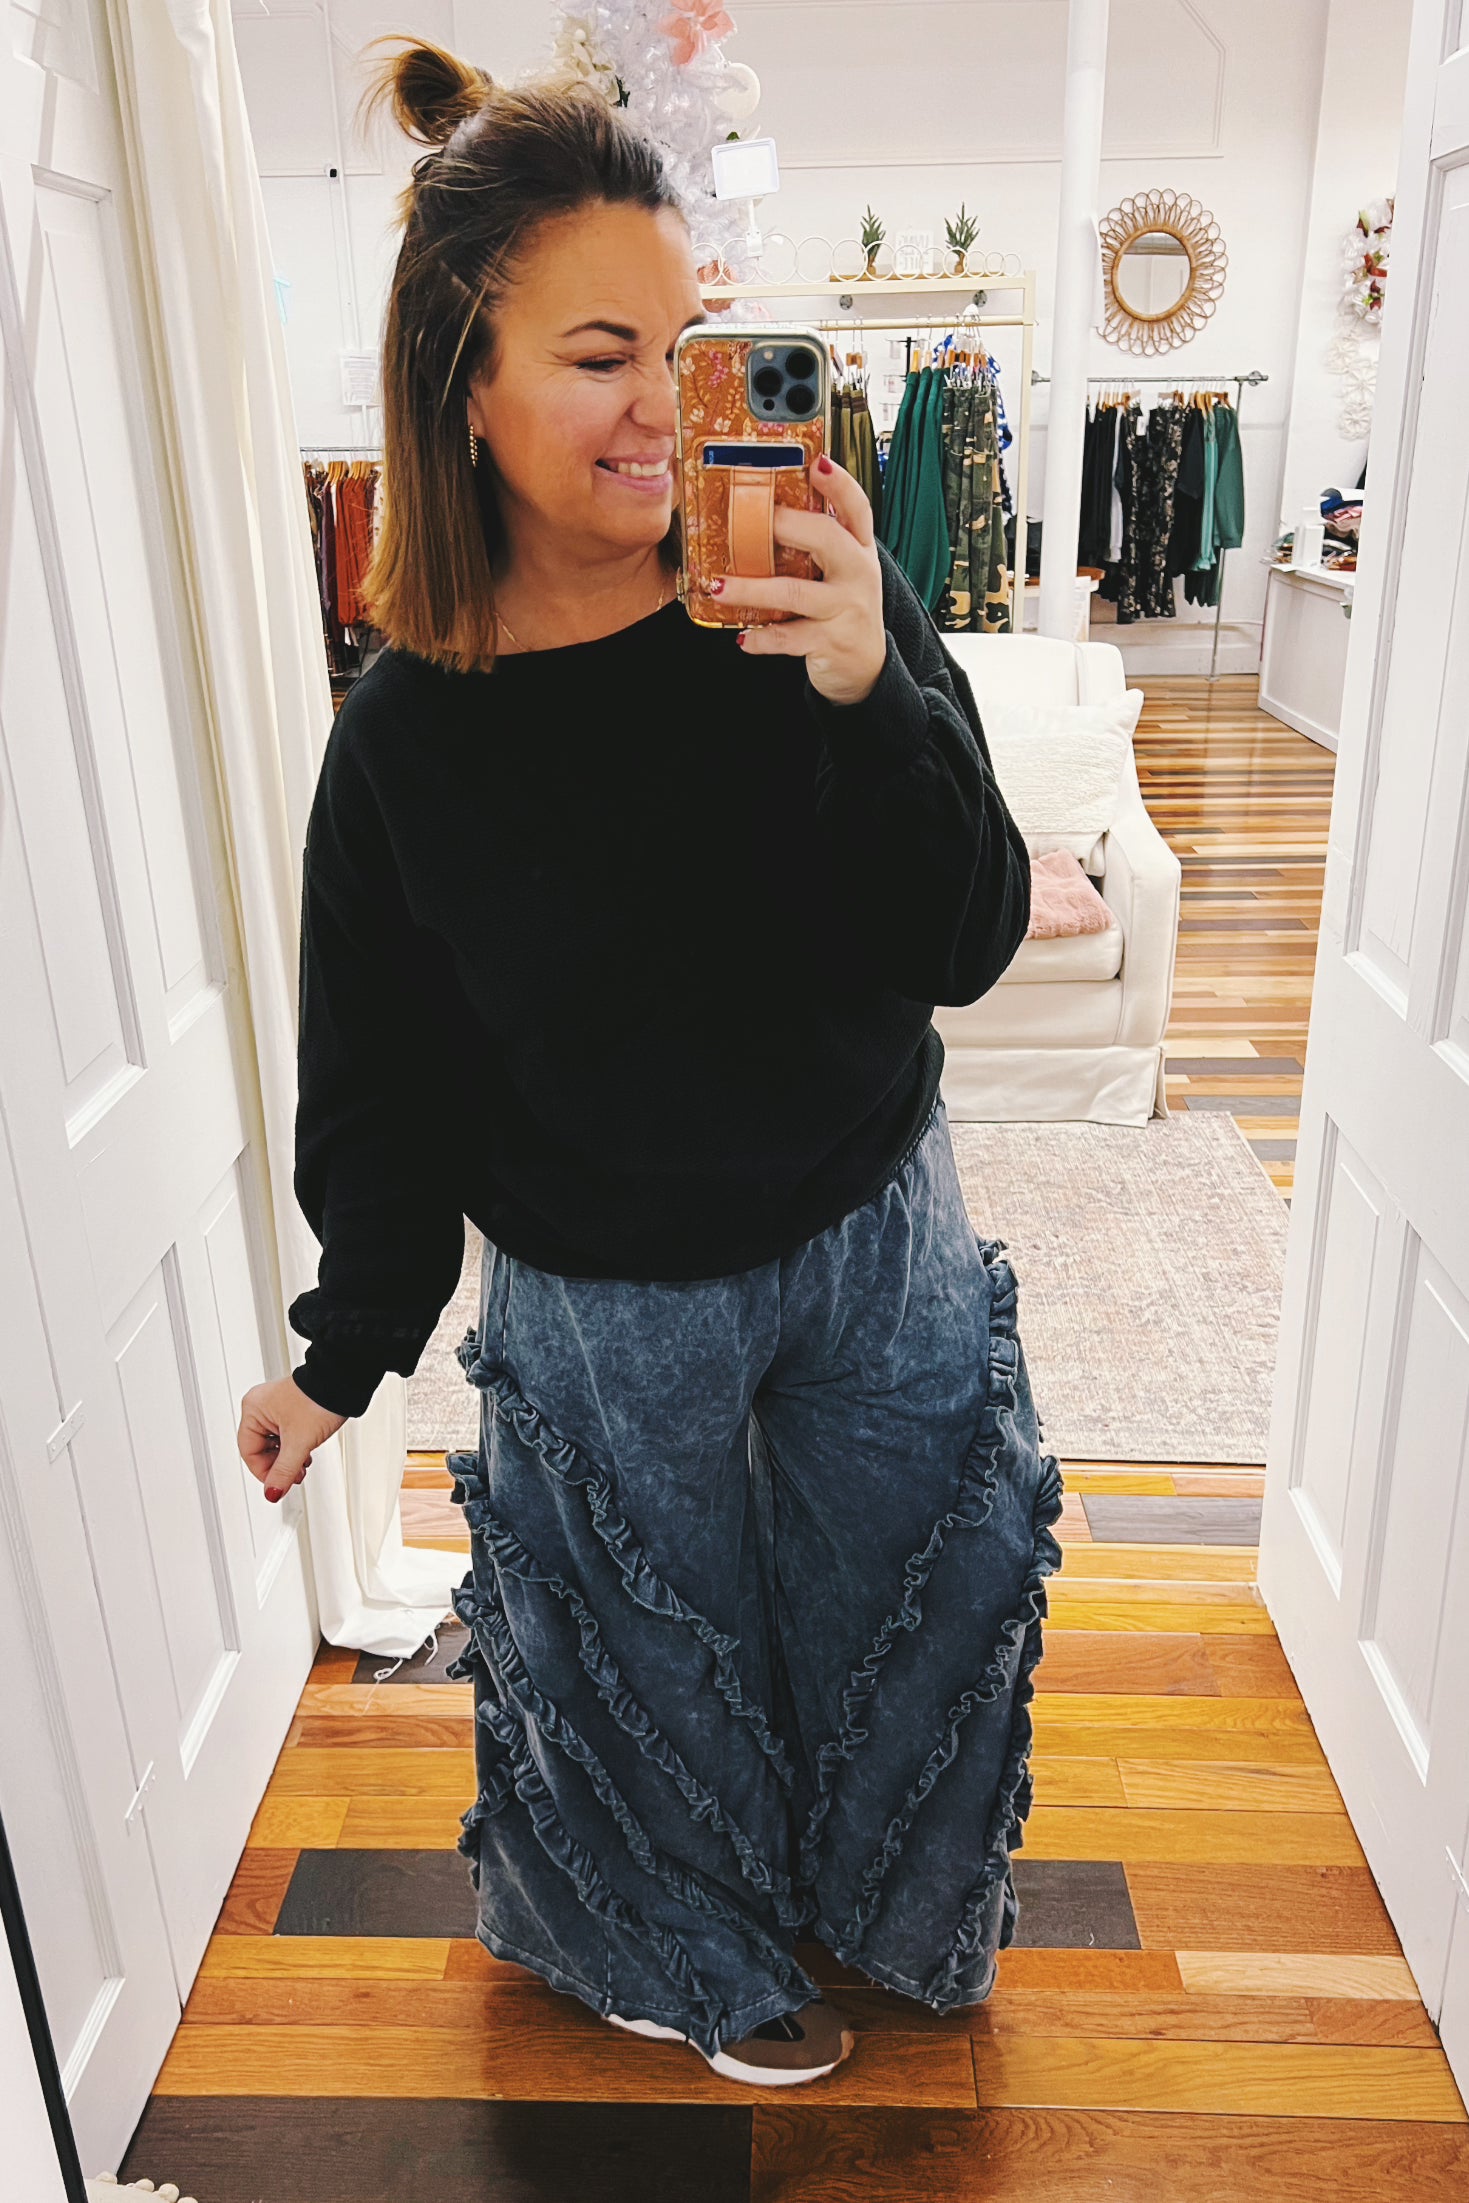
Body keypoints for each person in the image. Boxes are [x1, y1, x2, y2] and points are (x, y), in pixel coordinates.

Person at [236, 36, 1062, 2088]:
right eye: (600, 355)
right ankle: (671, 1948)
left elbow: (967, 937)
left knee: (925, 1586)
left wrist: (874, 688)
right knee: (633, 1654)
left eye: (685, 345)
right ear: (464, 381)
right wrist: (342, 1353)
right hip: (609, 1300)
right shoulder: (406, 741)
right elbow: (383, 1084)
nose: (661, 406)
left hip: (877, 1224)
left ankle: (894, 1906)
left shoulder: (812, 592)